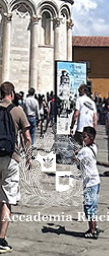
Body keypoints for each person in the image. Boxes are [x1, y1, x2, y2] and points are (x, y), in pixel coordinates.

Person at [0, 81, 32, 253]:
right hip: (10, 158)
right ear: (12, 94)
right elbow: (27, 137)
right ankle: (1, 240)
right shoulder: (18, 111)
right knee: (7, 199)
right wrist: (29, 156)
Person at [75, 126, 100, 239]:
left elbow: (75, 159)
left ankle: (92, 230)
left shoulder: (84, 151)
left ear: (90, 138)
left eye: (84, 136)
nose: (82, 138)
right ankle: (95, 226)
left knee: (88, 207)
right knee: (93, 206)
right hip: (96, 181)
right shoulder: (94, 147)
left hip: (89, 183)